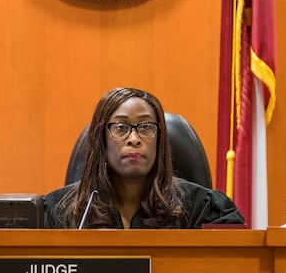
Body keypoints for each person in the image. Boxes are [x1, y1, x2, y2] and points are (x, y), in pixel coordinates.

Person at [43, 87, 245, 229]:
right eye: (120, 128)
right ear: (101, 141)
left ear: (160, 142)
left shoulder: (205, 210)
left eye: (146, 127)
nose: (134, 139)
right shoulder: (58, 211)